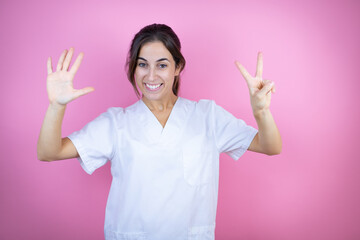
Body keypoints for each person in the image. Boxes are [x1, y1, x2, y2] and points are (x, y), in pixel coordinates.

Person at [37, 23, 282, 240]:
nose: (151, 75)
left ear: (177, 67)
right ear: (134, 68)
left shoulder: (209, 116)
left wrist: (261, 112)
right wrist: (56, 106)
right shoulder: (115, 123)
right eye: (142, 64)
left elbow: (270, 146)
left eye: (162, 65)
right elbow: (49, 152)